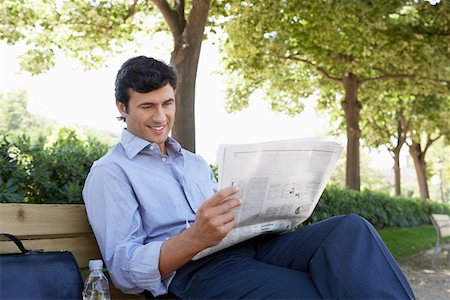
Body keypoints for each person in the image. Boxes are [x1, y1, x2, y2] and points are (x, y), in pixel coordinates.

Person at [83, 55, 415, 299]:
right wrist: (194, 239)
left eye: (167, 103)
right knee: (310, 290)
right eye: (147, 107)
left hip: (250, 249)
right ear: (122, 107)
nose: (161, 117)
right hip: (192, 275)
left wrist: (280, 211)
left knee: (350, 230)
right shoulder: (111, 173)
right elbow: (124, 271)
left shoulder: (194, 164)